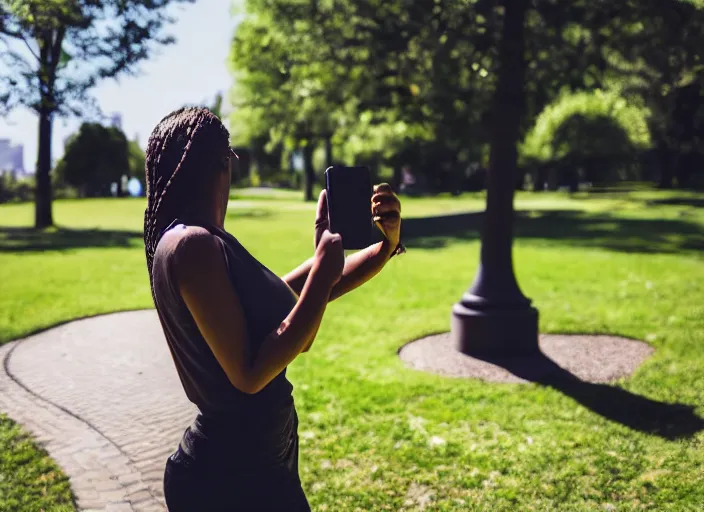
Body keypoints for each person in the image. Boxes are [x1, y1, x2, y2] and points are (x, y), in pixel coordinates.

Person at [142, 107, 404, 511]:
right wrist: (323, 270)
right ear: (220, 164)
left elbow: (296, 294)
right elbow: (249, 373)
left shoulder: (200, 242)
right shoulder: (192, 246)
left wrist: (383, 247)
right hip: (229, 481)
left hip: (256, 464)